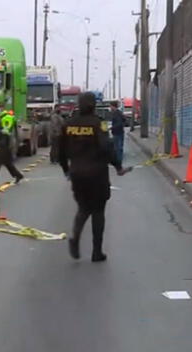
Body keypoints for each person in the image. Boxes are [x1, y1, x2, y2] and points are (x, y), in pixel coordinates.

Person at [58, 92, 132, 262]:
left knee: (83, 208)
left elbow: (60, 151)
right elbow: (106, 147)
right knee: (98, 211)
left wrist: (66, 170)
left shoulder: (68, 124)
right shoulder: (99, 124)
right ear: (93, 105)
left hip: (77, 173)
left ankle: (75, 239)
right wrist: (118, 166)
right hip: (97, 173)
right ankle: (96, 252)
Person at [0, 104, 24, 185]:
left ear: (2, 108)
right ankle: (18, 175)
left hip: (3, 143)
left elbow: (5, 132)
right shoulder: (2, 117)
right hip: (6, 143)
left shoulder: (6, 117)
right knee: (7, 162)